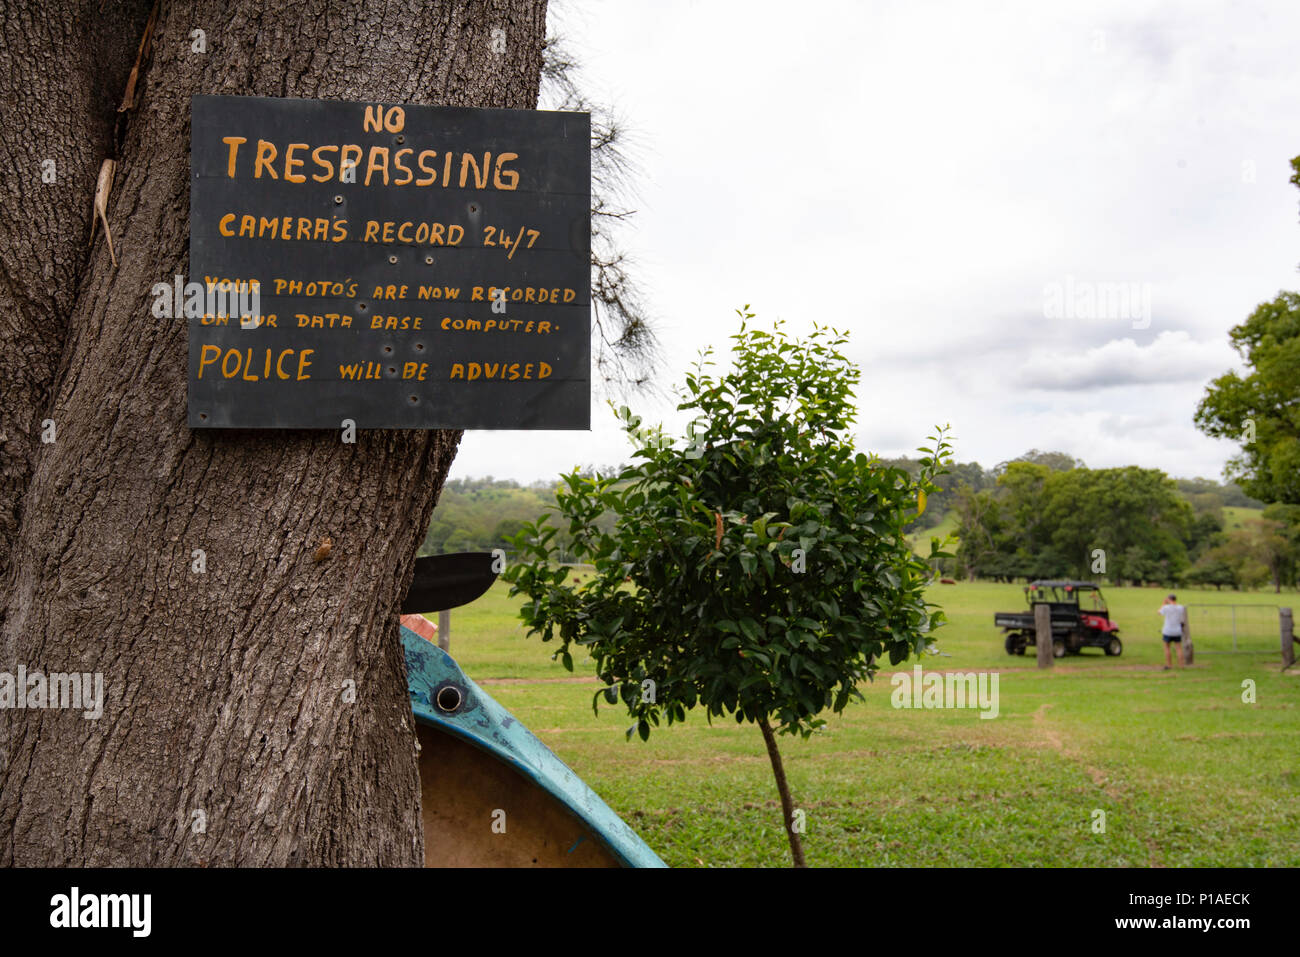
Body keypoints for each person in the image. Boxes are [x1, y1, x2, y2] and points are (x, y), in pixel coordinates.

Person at [1158, 594, 1186, 670]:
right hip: (1177, 630)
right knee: (1179, 648)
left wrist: (1164, 603)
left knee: (1167, 648)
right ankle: (1181, 665)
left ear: (1169, 599)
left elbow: (1159, 612)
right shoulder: (1180, 607)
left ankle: (1169, 665)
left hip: (1168, 631)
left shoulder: (1166, 607)